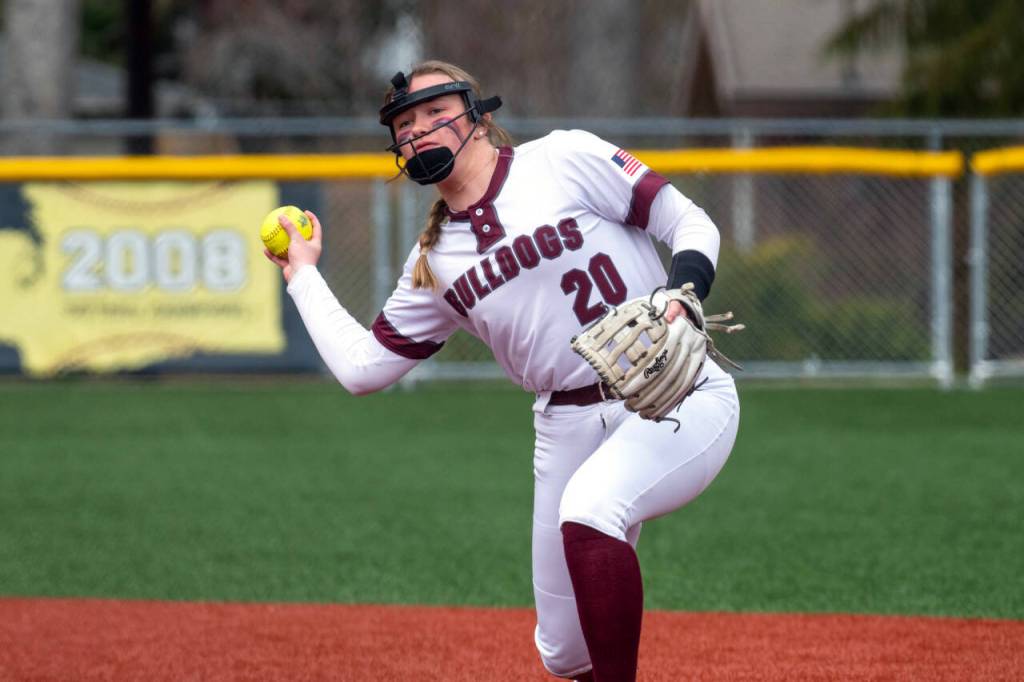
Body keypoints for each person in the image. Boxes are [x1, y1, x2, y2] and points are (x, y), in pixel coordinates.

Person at [265, 60, 740, 682]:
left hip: (675, 391)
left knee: (593, 508)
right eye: (405, 123)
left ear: (479, 116)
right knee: (566, 654)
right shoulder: (434, 261)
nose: (419, 131)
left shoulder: (563, 158)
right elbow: (362, 369)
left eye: (436, 113)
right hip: (564, 422)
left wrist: (682, 294)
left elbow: (690, 223)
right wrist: (301, 273)